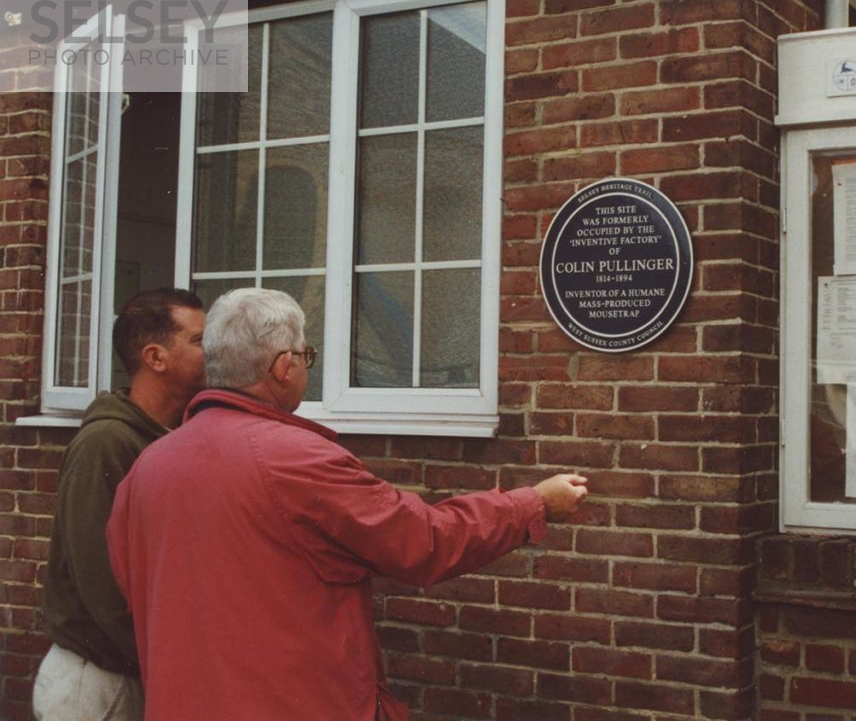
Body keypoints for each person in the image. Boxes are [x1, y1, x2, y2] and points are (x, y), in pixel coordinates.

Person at [106, 288, 588, 721]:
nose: (305, 367)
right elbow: (424, 541)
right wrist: (531, 505)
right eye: (305, 354)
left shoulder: (147, 468)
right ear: (282, 367)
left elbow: (132, 585)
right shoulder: (296, 459)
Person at [34, 288, 206, 721]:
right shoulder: (106, 443)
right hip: (97, 686)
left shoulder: (170, 437)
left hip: (132, 672)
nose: (215, 350)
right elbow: (101, 582)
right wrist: (166, 664)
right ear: (156, 357)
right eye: (200, 341)